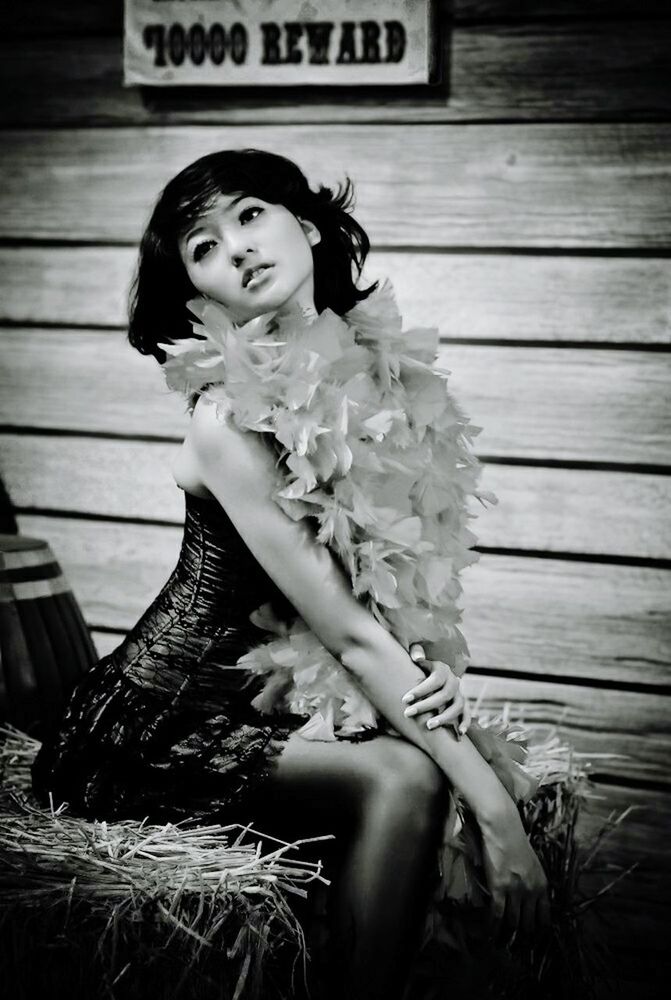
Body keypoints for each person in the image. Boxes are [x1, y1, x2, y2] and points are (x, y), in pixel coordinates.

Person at [32, 149, 548, 1000]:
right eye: (202, 247)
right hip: (160, 725)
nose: (235, 247)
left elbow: (381, 586)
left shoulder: (379, 374)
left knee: (433, 746)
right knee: (410, 773)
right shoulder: (223, 419)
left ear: (304, 225)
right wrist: (496, 818)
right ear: (201, 294)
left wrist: (432, 673)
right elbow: (346, 627)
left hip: (272, 700)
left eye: (248, 215)